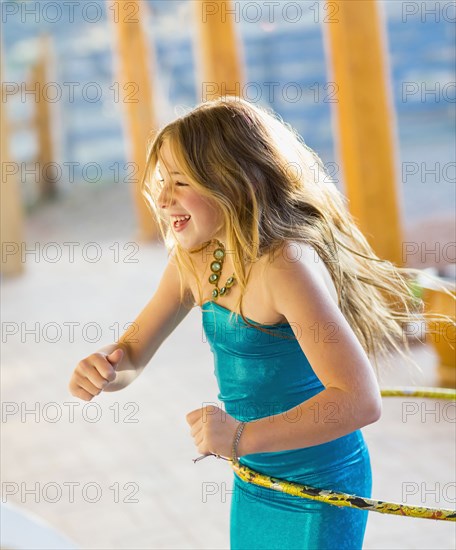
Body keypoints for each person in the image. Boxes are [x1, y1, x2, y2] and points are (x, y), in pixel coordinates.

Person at [68, 96, 453, 549]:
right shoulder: (194, 261)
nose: (163, 197)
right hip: (256, 472)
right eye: (161, 181)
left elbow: (360, 401)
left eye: (180, 181)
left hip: (318, 484)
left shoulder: (284, 266)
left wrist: (240, 436)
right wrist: (105, 371)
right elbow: (131, 353)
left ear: (233, 183)